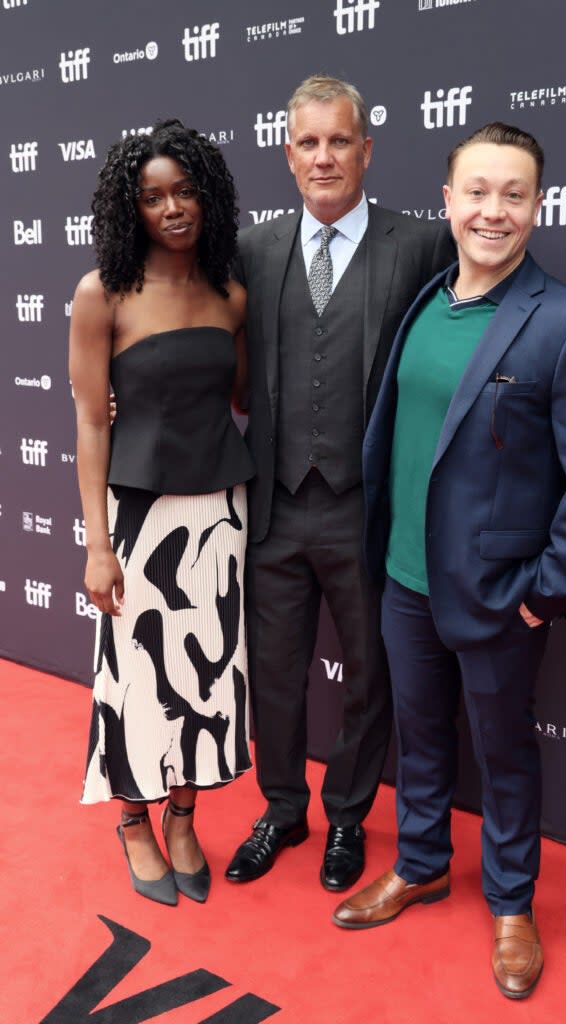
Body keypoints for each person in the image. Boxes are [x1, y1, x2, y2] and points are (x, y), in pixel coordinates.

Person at [331, 123, 566, 999]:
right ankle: (423, 861)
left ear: (537, 206)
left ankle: (510, 904)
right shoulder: (427, 300)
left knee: (503, 754)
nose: (491, 211)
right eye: (476, 192)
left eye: (512, 194)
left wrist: (544, 593)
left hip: (502, 595)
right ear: (447, 201)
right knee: (421, 736)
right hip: (403, 578)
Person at [225, 75, 455, 892]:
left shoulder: (422, 244)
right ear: (287, 156)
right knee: (276, 672)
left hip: (369, 510)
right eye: (307, 143)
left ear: (366, 148)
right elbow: (203, 345)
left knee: (369, 676)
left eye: (338, 140)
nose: (323, 157)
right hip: (275, 507)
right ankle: (283, 809)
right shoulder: (250, 250)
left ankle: (348, 819)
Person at [70, 119, 254, 906]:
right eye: (152, 198)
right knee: (136, 678)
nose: (172, 209)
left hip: (220, 511)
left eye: (184, 192)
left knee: (209, 678)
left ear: (207, 196)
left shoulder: (231, 293)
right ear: (129, 209)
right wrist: (97, 544)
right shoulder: (101, 293)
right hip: (137, 522)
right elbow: (88, 420)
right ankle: (136, 821)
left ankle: (185, 817)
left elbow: (242, 397)